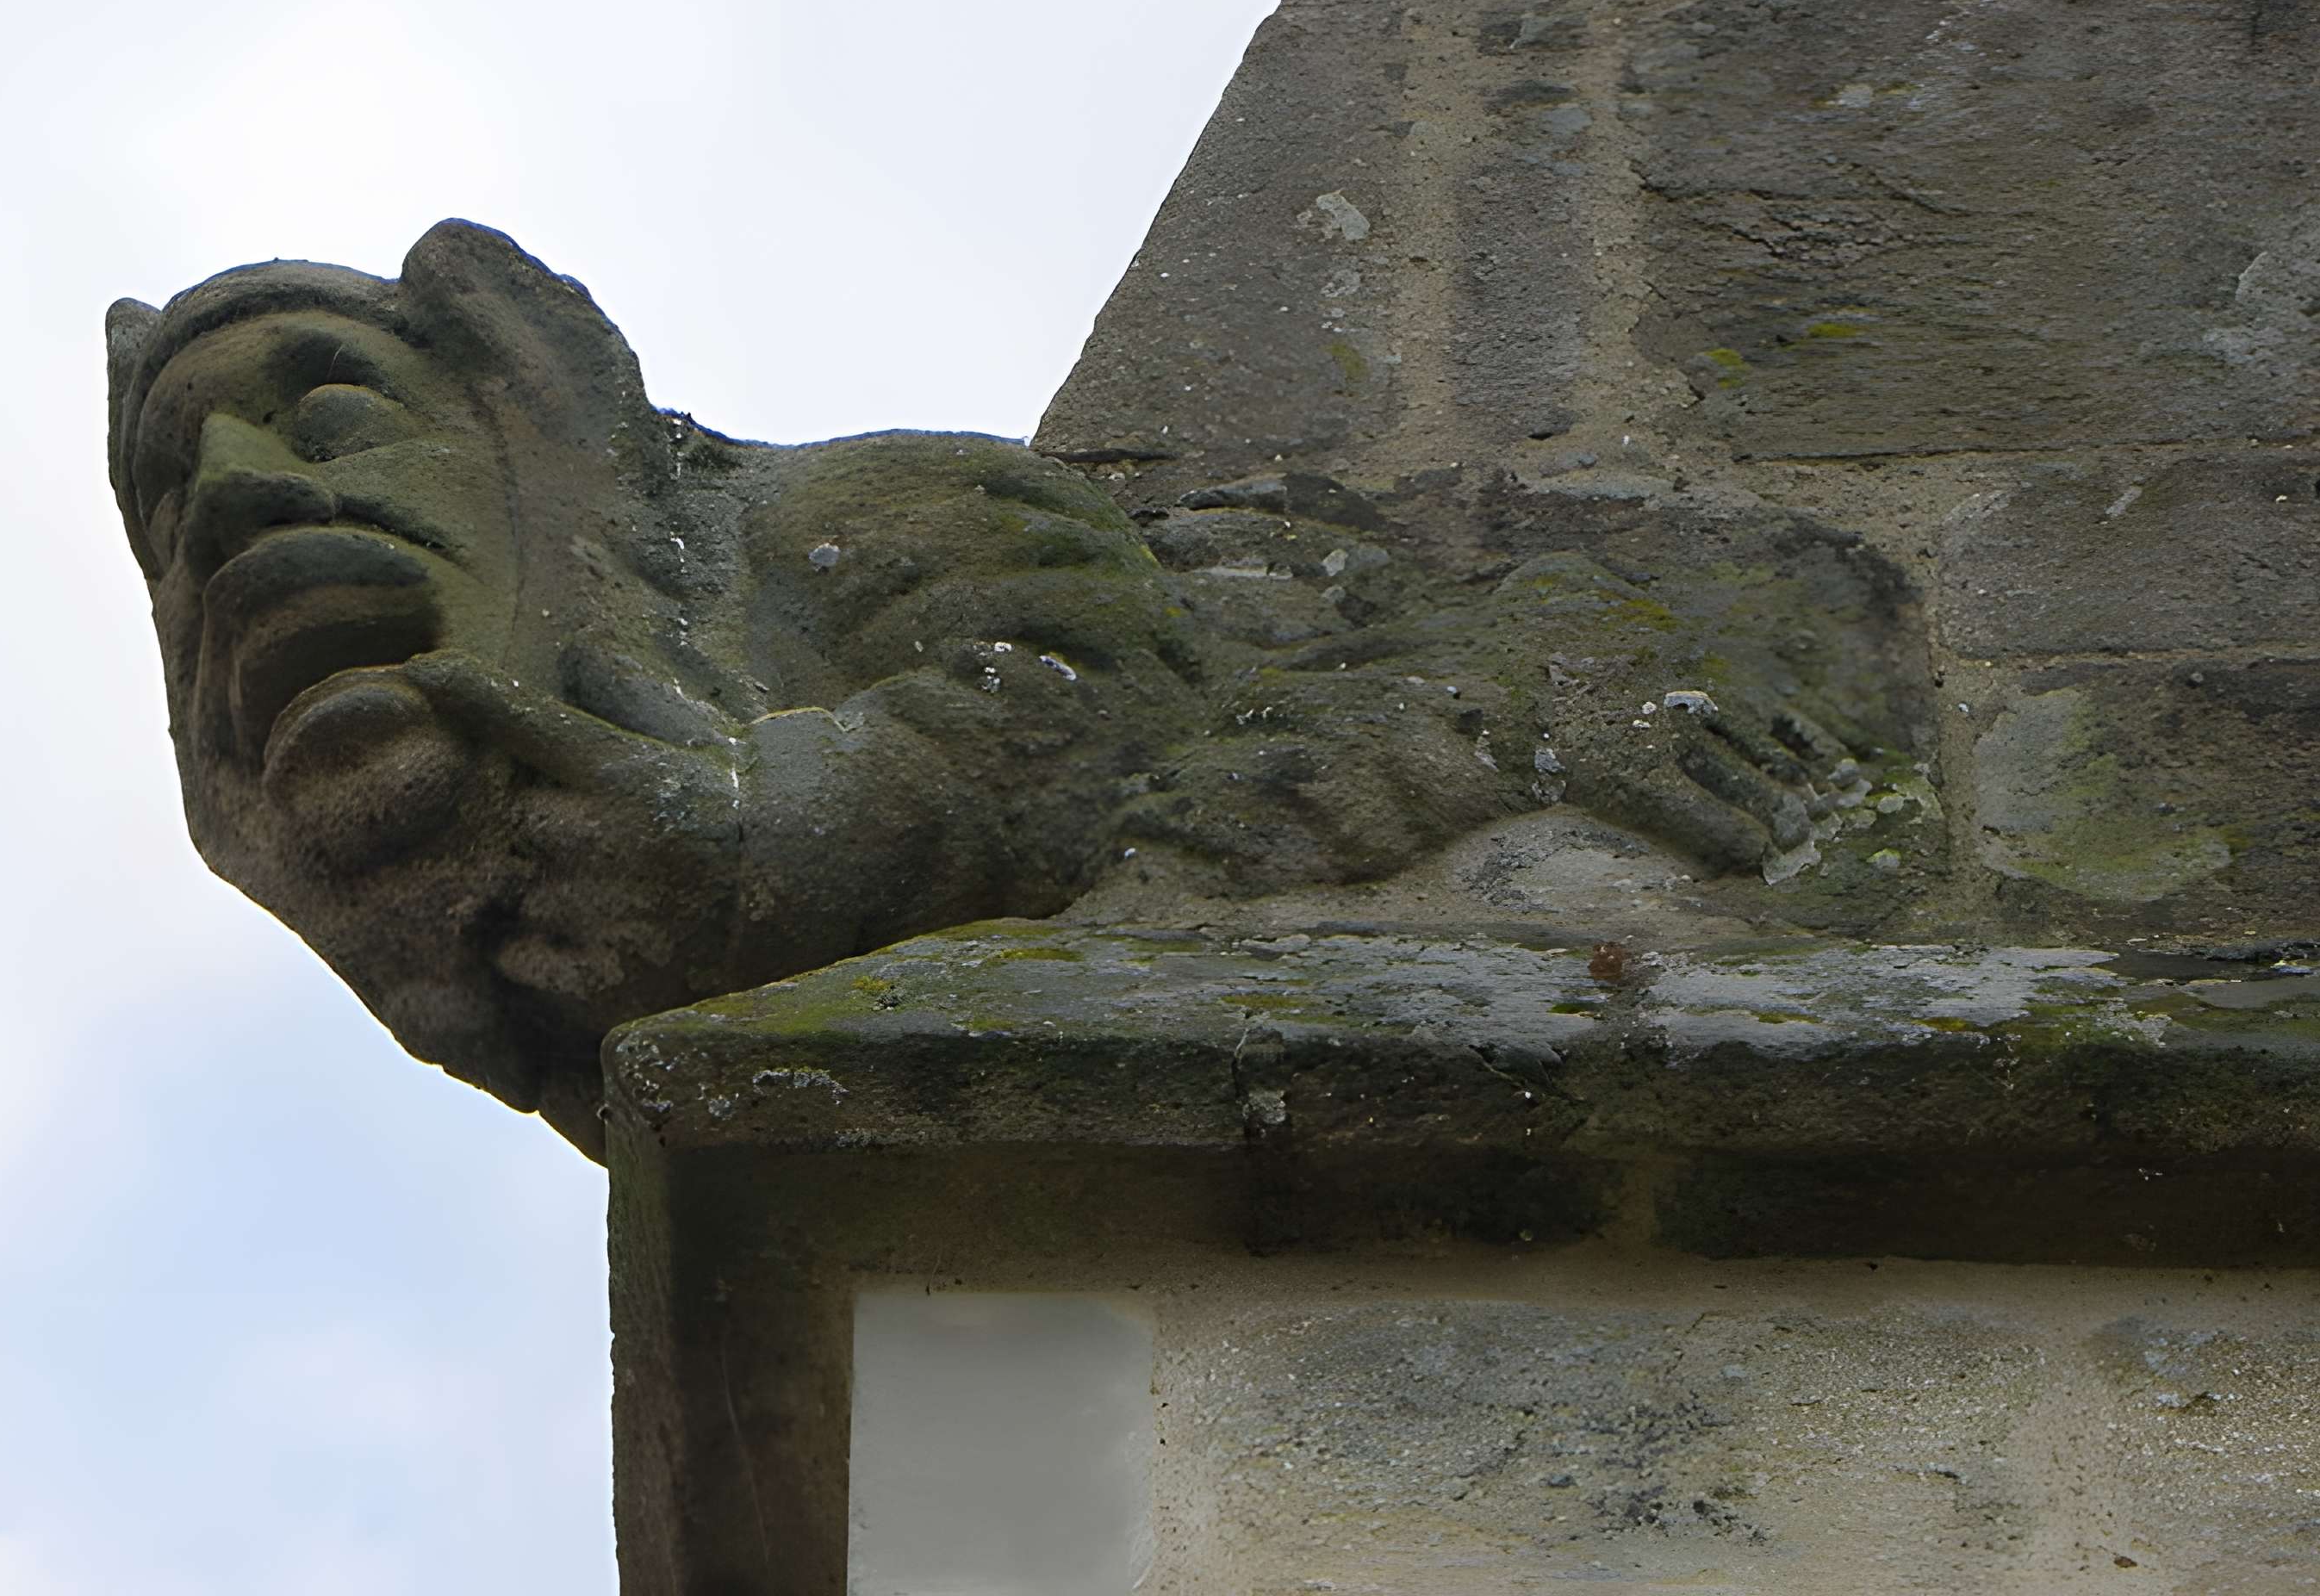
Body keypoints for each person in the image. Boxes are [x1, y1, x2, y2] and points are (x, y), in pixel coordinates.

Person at [111, 221, 1930, 1156]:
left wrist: (806, 817)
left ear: (514, 416)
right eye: (189, 483)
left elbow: (1092, 698)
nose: (257, 489)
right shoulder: (411, 842)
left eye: (329, 408)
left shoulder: (827, 522)